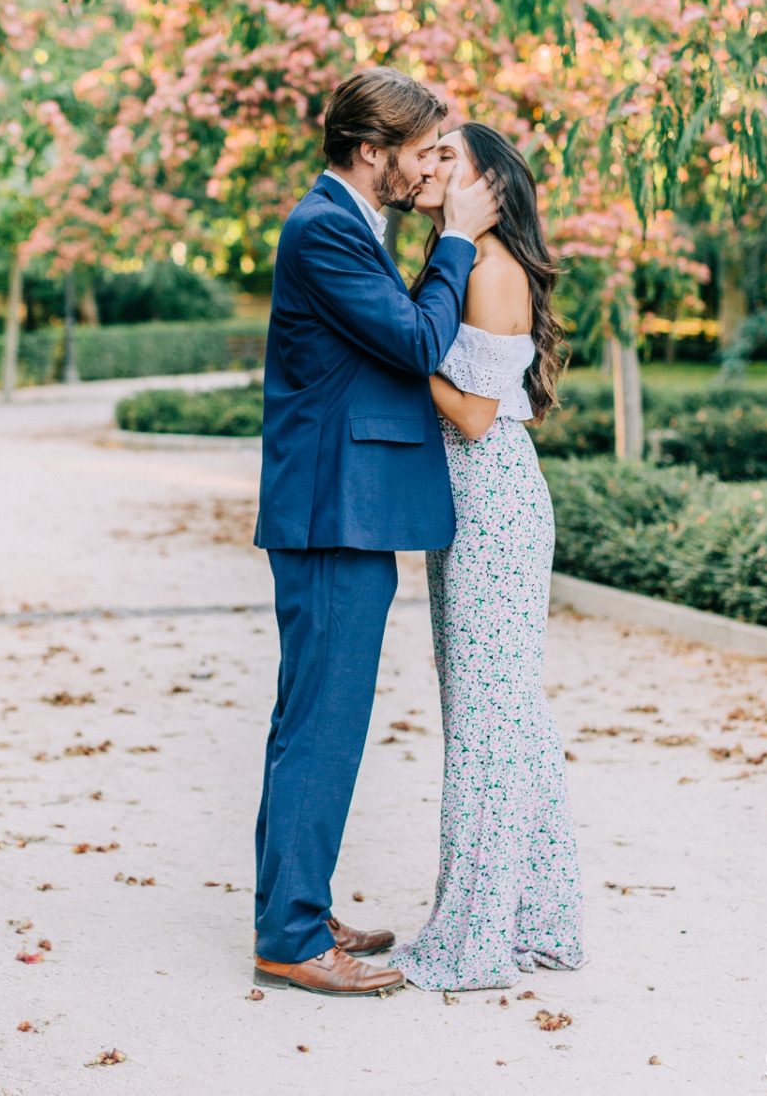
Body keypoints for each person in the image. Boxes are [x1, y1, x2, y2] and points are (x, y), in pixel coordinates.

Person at [249, 66, 499, 997]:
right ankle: (291, 938)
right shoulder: (324, 231)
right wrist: (461, 243)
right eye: (420, 151)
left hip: (345, 508)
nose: (430, 166)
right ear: (370, 151)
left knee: (309, 722)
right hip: (330, 513)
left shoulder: (347, 225)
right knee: (322, 727)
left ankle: (297, 909)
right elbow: (419, 342)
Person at [385, 120, 587, 990]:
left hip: (495, 504)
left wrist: (385, 352)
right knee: (506, 720)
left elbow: (470, 415)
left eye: (447, 160)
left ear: (489, 189)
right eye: (427, 155)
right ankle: (538, 919)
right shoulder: (459, 262)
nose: (428, 167)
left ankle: (474, 938)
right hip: (469, 504)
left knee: (488, 725)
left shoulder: (494, 272)